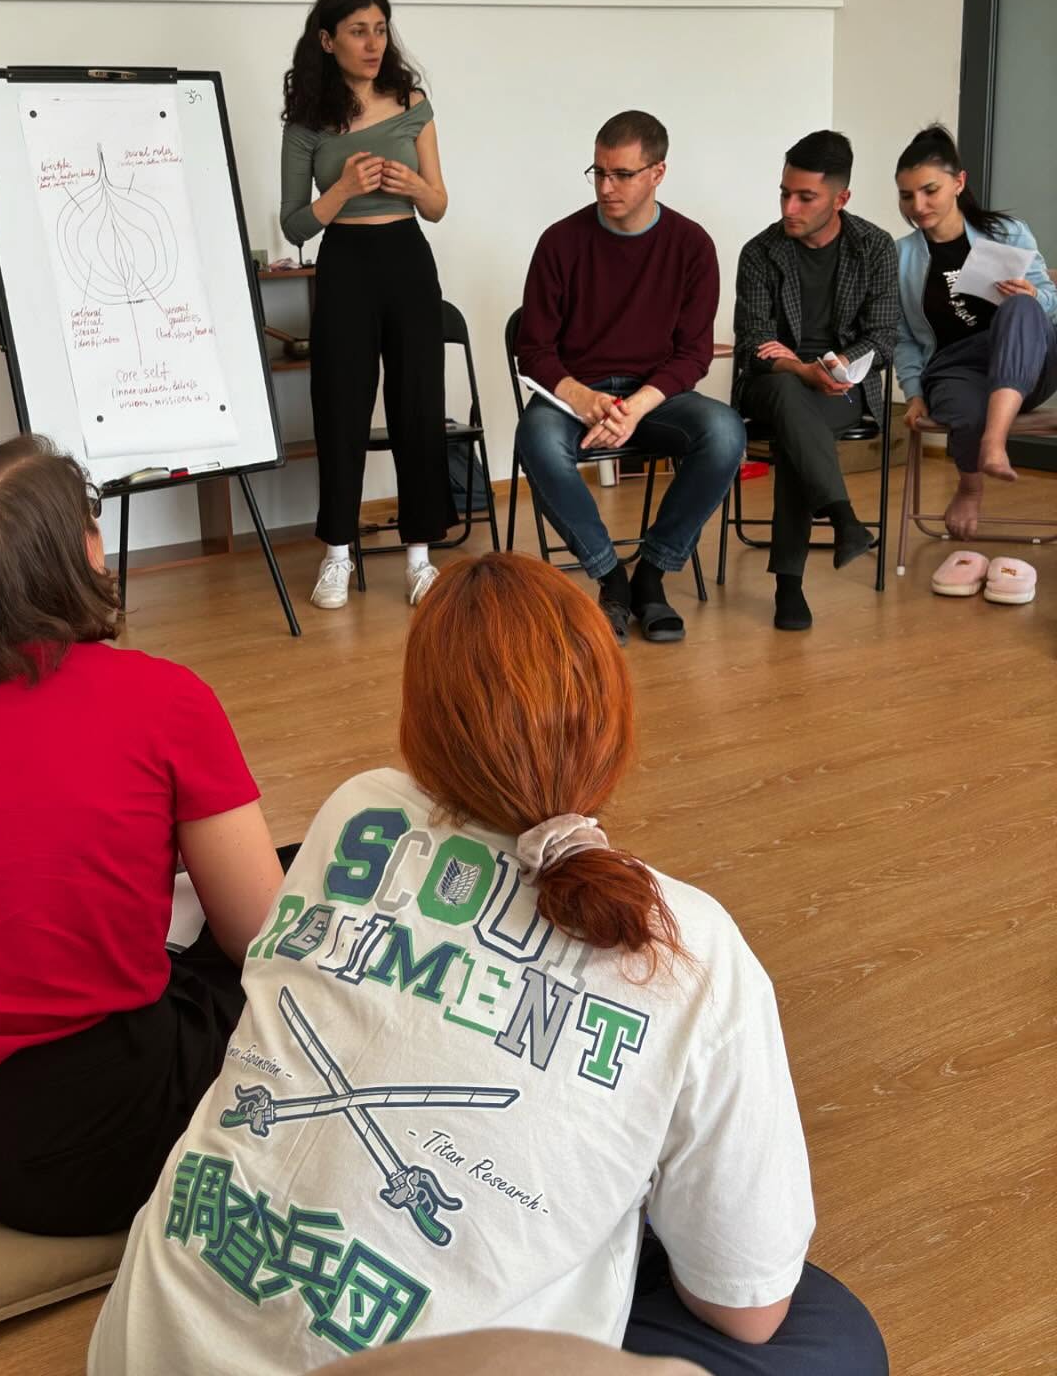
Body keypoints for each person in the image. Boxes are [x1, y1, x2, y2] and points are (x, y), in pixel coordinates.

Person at [88, 554, 886, 1376]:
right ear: (615, 726)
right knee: (829, 1335)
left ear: (417, 724)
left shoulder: (359, 807)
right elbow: (746, 1311)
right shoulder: (696, 949)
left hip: (144, 1343)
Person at [0, 435, 285, 1236]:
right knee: (268, 920)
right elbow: (260, 939)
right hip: (103, 1149)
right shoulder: (168, 699)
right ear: (84, 551)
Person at [516, 110, 744, 644]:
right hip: (577, 396)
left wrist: (636, 406)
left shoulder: (692, 245)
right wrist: (582, 398)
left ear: (658, 172)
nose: (605, 187)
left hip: (654, 397)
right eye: (598, 172)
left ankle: (651, 575)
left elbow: (693, 354)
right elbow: (533, 350)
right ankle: (611, 578)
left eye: (621, 174)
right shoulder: (560, 242)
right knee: (536, 438)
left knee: (725, 431)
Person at [280, 0, 455, 611]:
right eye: (358, 30)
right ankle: (336, 553)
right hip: (345, 263)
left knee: (418, 403)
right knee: (340, 407)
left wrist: (412, 186)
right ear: (327, 41)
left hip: (407, 256)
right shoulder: (307, 121)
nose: (373, 42)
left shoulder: (413, 103)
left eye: (380, 28)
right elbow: (295, 225)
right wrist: (343, 190)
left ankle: (419, 558)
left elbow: (438, 205)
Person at [733, 131, 899, 631]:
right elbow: (754, 342)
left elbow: (883, 337)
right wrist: (797, 368)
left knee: (796, 433)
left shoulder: (874, 247)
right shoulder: (760, 251)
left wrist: (836, 364)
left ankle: (790, 585)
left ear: (841, 198)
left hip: (839, 387)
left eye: (806, 197)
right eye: (785, 193)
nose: (790, 207)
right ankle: (843, 517)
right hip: (771, 385)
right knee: (789, 396)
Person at [893, 125, 1057, 540]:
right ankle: (970, 487)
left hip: (1027, 362)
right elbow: (903, 336)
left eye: (930, 190)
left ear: (959, 182)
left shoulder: (1008, 232)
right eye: (907, 195)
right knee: (964, 412)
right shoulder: (901, 256)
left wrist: (1034, 294)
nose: (918, 205)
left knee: (1020, 307)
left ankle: (993, 443)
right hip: (956, 367)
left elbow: (1051, 302)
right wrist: (913, 392)